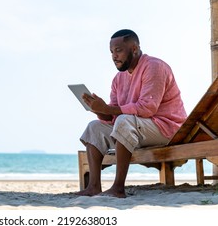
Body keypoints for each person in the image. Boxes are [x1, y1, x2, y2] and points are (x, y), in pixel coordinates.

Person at [76, 29, 187, 198]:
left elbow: (147, 108)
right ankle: (94, 186)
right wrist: (99, 109)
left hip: (166, 128)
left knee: (124, 121)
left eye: (118, 50)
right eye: (111, 52)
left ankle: (118, 188)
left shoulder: (155, 66)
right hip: (137, 128)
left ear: (134, 49)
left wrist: (108, 110)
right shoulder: (118, 79)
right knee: (94, 127)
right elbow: (112, 115)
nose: (114, 56)